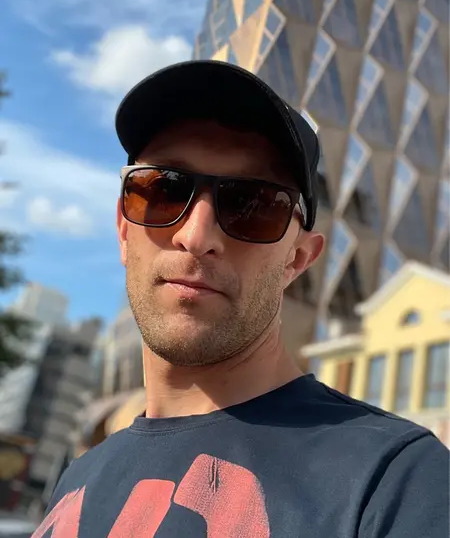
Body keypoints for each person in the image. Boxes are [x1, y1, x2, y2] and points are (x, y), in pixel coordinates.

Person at [32, 61, 449, 538]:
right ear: (124, 229)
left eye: (253, 205)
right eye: (164, 189)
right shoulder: (79, 477)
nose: (196, 236)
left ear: (298, 259)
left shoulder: (399, 483)